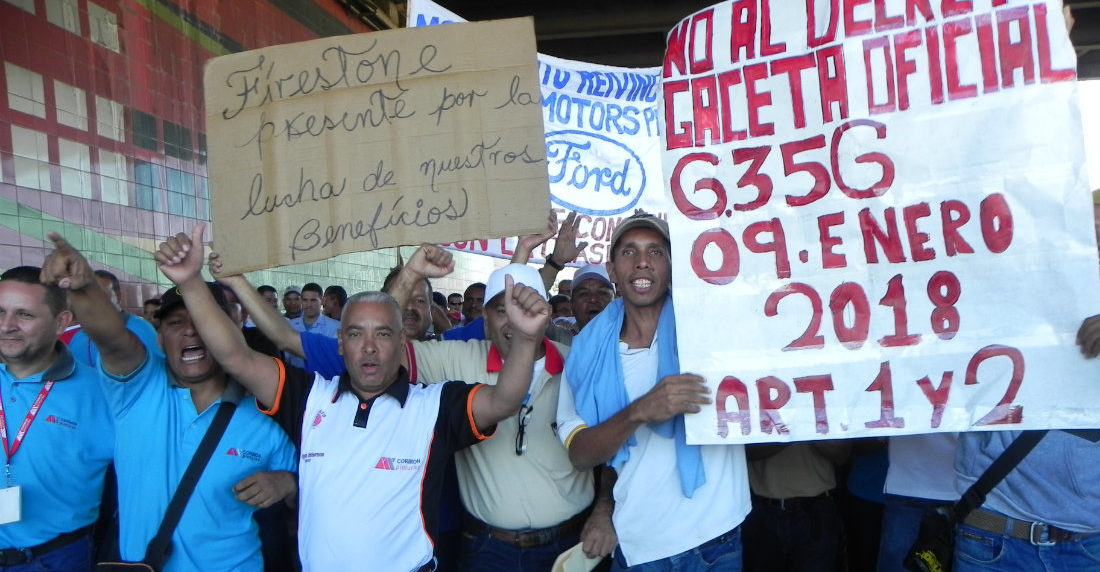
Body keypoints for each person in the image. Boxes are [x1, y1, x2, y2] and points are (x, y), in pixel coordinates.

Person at [198, 237, 549, 570]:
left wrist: (525, 338)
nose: (369, 346)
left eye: (382, 333)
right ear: (339, 342)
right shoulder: (308, 398)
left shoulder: (434, 406)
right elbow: (235, 357)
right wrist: (191, 281)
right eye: (355, 334)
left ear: (401, 342)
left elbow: (504, 401)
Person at [41, 230, 298, 572]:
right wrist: (84, 286)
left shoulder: (266, 412)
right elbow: (112, 338)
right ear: (159, 338)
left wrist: (287, 482)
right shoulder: (136, 388)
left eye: (202, 321)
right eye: (176, 323)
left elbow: (312, 485)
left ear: (228, 332)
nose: (190, 331)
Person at [388, 260, 615, 571]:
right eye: (501, 310)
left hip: (571, 546)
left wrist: (604, 511)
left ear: (546, 313)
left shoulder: (578, 363)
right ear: (485, 317)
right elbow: (381, 347)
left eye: (526, 308)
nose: (515, 321)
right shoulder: (455, 359)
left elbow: (615, 450)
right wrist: (410, 275)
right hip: (487, 550)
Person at [556, 210, 751, 571]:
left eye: (656, 251)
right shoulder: (586, 354)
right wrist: (638, 412)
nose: (643, 261)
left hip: (717, 538)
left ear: (672, 267)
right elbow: (581, 455)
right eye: (629, 251)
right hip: (640, 545)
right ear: (612, 271)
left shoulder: (711, 329)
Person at [0, 266, 113, 570]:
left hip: (54, 559)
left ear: (61, 321)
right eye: (0, 312)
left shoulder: (100, 393)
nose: (7, 326)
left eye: (24, 315)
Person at [742, 441, 851, 572]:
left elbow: (842, 455)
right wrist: (793, 433)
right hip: (763, 511)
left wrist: (803, 432)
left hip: (815, 513)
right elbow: (745, 452)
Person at [67, 269, 159, 367]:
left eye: (101, 294)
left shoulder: (142, 329)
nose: (93, 301)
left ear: (118, 297)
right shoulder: (79, 336)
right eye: (88, 295)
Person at [286, 283, 339, 368]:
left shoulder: (335, 327)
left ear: (323, 301)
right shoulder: (290, 325)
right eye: (305, 300)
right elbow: (286, 358)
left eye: (313, 300)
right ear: (301, 300)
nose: (308, 305)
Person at [569, 264, 615, 332]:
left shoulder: (630, 335)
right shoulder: (559, 337)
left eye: (602, 292)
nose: (593, 299)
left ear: (615, 302)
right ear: (572, 305)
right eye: (584, 293)